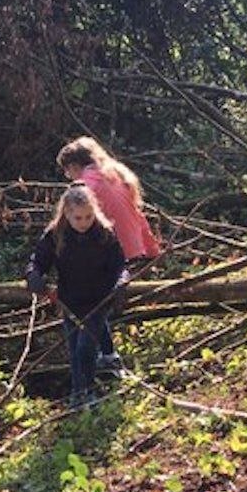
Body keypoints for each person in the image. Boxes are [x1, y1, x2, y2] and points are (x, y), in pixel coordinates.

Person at [56, 136, 160, 373]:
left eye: (67, 170)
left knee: (87, 298)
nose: (67, 176)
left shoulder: (87, 186)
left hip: (116, 255)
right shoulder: (116, 176)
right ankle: (107, 354)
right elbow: (138, 216)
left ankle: (104, 359)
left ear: (74, 166)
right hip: (133, 251)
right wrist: (151, 249)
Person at [25, 184, 126, 408]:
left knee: (85, 347)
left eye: (88, 217)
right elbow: (38, 261)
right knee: (74, 350)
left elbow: (120, 265)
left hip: (99, 299)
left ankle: (87, 392)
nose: (84, 223)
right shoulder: (55, 235)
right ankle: (77, 394)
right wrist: (34, 275)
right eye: (78, 218)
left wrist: (121, 283)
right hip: (69, 300)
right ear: (67, 214)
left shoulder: (104, 233)